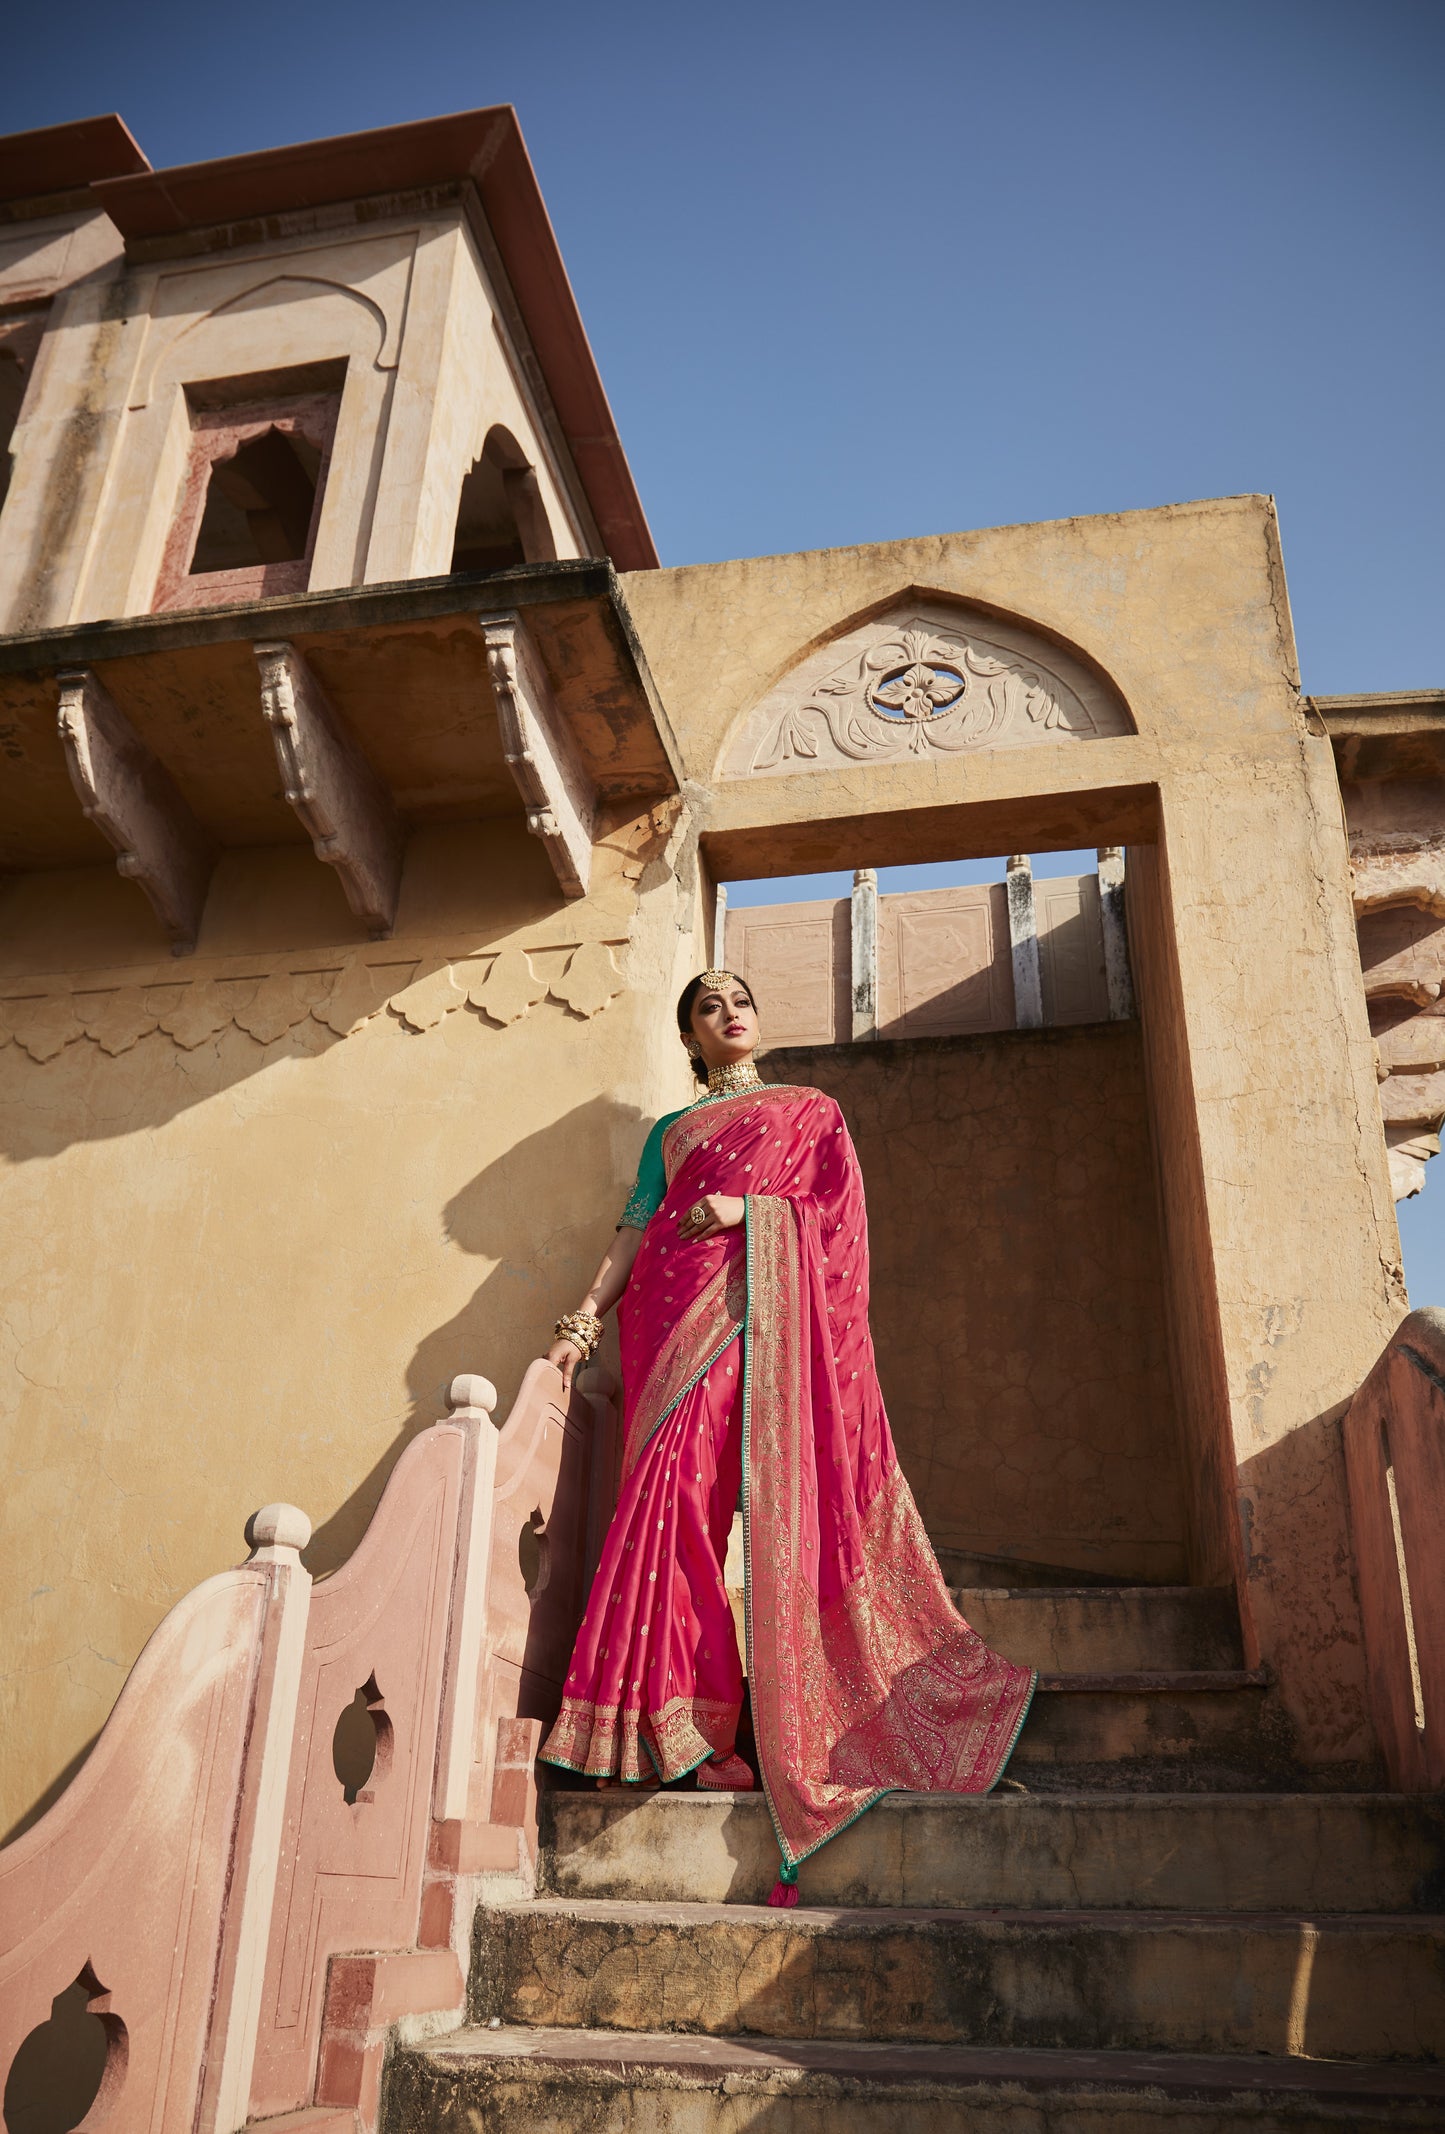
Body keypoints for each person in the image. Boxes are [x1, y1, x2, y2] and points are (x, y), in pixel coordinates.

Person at [538, 969, 1035, 1902]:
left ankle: (704, 1722)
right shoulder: (670, 1133)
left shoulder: (810, 1110)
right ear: (688, 1038)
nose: (729, 1012)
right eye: (705, 1006)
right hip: (666, 1310)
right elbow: (633, 1230)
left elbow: (841, 1226)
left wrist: (749, 1212)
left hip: (752, 1307)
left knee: (712, 1496)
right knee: (669, 1498)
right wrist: (579, 1326)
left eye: (740, 999)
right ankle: (662, 1727)